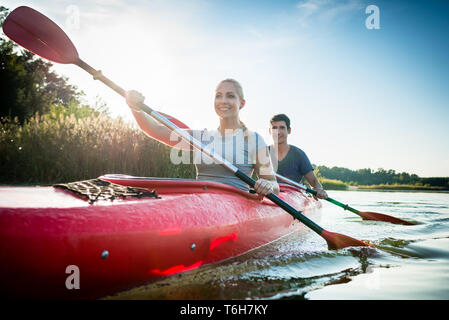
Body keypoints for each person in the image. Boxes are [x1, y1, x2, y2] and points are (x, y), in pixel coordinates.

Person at [125, 78, 279, 196]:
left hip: (235, 209)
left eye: (230, 96)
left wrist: (267, 185)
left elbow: (274, 184)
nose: (223, 101)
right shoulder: (201, 137)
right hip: (201, 205)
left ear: (242, 103)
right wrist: (135, 109)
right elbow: (156, 130)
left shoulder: (255, 140)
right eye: (218, 96)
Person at [268, 114, 328, 199]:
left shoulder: (299, 154)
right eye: (274, 128)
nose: (278, 132)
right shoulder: (262, 154)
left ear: (289, 130)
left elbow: (314, 182)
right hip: (270, 196)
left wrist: (318, 189)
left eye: (282, 128)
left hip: (295, 199)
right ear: (270, 131)